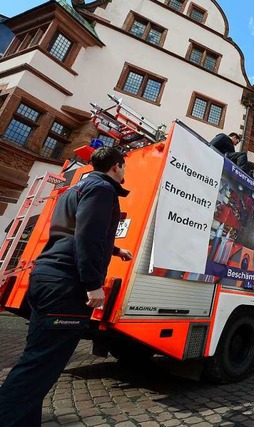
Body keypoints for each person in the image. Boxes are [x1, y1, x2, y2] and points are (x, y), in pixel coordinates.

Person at [0, 147, 133, 426]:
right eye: (124, 166)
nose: (124, 171)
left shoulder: (77, 188)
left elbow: (72, 231)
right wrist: (93, 284)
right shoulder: (103, 190)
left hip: (47, 276)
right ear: (117, 167)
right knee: (38, 368)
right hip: (65, 283)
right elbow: (87, 235)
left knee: (37, 360)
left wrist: (115, 249)